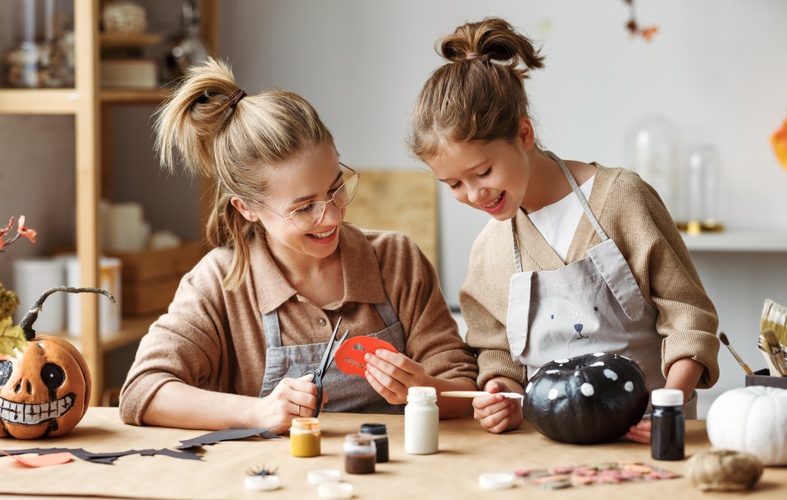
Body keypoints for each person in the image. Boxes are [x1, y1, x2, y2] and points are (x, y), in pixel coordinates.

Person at [119, 58, 478, 434]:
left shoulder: (397, 260)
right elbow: (142, 391)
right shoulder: (219, 283)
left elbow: (463, 385)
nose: (333, 217)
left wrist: (424, 389)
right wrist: (258, 413)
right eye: (305, 208)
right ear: (248, 208)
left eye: (336, 188)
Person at [408, 18, 719, 442]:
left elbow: (688, 318)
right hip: (547, 446)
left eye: (482, 171)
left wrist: (668, 406)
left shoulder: (621, 198)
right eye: (454, 184)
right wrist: (502, 394)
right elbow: (497, 353)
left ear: (523, 133)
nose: (474, 194)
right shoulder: (490, 249)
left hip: (648, 438)